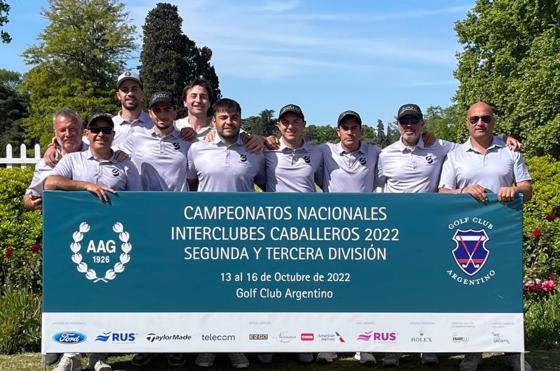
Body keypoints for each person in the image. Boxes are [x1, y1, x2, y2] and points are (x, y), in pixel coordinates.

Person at [438, 101, 532, 371]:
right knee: (471, 292)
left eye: (486, 119)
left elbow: (527, 188)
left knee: (508, 292)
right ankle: (472, 351)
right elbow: (443, 191)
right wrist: (462, 192)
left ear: (494, 122)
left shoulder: (510, 152)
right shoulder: (456, 155)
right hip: (466, 234)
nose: (480, 123)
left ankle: (513, 353)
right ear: (467, 122)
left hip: (503, 234)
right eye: (475, 119)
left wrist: (514, 189)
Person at [45, 114, 141, 371]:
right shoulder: (72, 159)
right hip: (79, 240)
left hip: (115, 241)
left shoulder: (125, 165)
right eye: (96, 130)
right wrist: (85, 185)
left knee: (107, 298)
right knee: (78, 296)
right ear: (87, 133)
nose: (101, 134)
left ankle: (98, 356)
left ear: (113, 134)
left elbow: (138, 200)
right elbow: (51, 183)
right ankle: (72, 353)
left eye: (106, 130)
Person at [187, 98, 264, 369]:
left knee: (236, 295)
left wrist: (266, 141)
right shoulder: (197, 149)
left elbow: (267, 185)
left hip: (244, 236)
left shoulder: (255, 151)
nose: (228, 121)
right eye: (223, 117)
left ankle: (235, 347)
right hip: (207, 235)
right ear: (214, 120)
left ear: (240, 119)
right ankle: (209, 346)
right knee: (209, 294)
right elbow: (189, 184)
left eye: (233, 117)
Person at [257, 104, 321, 365]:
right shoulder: (267, 151)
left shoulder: (318, 152)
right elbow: (260, 181)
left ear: (303, 124)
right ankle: (270, 340)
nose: (290, 126)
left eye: (296, 121)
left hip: (307, 230)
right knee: (272, 288)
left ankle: (301, 341)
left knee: (303, 288)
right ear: (278, 126)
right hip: (273, 229)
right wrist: (260, 139)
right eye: (285, 122)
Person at [122, 91, 191, 192]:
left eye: (167, 110)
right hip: (146, 204)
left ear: (175, 111)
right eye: (157, 110)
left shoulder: (186, 140)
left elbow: (194, 175)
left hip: (177, 204)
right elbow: (112, 158)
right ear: (150, 113)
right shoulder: (136, 138)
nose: (162, 115)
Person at [175, 78, 264, 153]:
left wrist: (261, 139)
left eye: (203, 97)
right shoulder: (174, 126)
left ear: (209, 103)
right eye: (193, 96)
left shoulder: (223, 126)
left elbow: (253, 138)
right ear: (185, 102)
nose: (198, 100)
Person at [23, 109, 86, 211]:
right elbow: (30, 195)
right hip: (59, 222)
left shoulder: (96, 155)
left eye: (72, 129)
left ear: (82, 130)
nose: (68, 134)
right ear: (55, 133)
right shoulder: (45, 163)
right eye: (62, 130)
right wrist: (30, 203)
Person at [319, 110, 381, 193]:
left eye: (354, 128)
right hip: (333, 205)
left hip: (364, 205)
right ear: (338, 132)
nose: (350, 132)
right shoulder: (326, 151)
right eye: (345, 128)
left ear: (361, 131)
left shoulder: (374, 152)